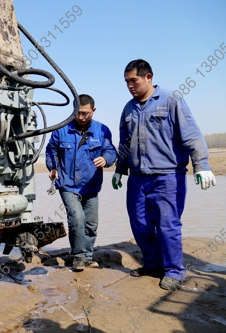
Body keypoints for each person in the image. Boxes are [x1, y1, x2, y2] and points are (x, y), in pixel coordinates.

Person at [112, 59, 216, 290]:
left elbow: (191, 134)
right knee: (140, 223)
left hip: (168, 176)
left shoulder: (171, 100)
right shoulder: (128, 108)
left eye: (134, 80)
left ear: (148, 77)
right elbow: (125, 143)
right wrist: (120, 170)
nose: (130, 85)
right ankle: (152, 264)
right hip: (138, 177)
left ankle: (174, 270)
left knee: (168, 224)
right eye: (126, 81)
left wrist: (202, 165)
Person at [46, 94, 117, 271]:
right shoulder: (61, 130)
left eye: (85, 113)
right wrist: (53, 168)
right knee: (77, 218)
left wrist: (106, 159)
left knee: (91, 223)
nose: (81, 117)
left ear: (93, 110)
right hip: (67, 185)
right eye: (78, 113)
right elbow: (51, 150)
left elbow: (110, 151)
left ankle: (87, 256)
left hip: (91, 186)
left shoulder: (102, 130)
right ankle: (78, 257)